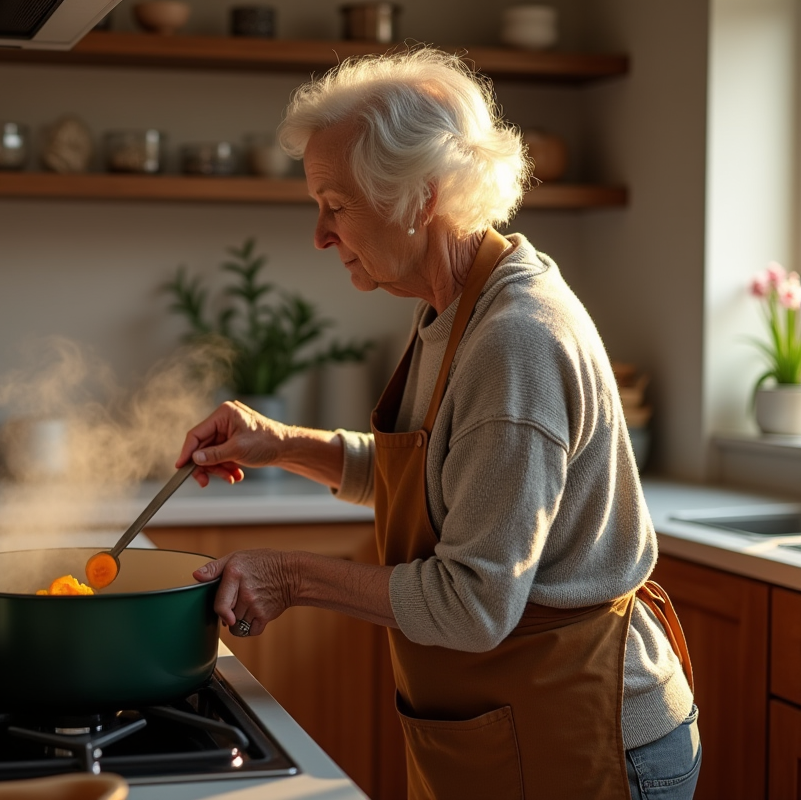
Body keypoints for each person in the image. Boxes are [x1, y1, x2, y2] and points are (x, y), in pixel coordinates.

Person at [175, 49, 700, 800]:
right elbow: (439, 478)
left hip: (588, 736)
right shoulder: (453, 309)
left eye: (335, 203)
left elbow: (473, 602)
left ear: (419, 199)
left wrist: (291, 577)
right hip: (513, 720)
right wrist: (284, 445)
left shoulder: (515, 338)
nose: (320, 235)